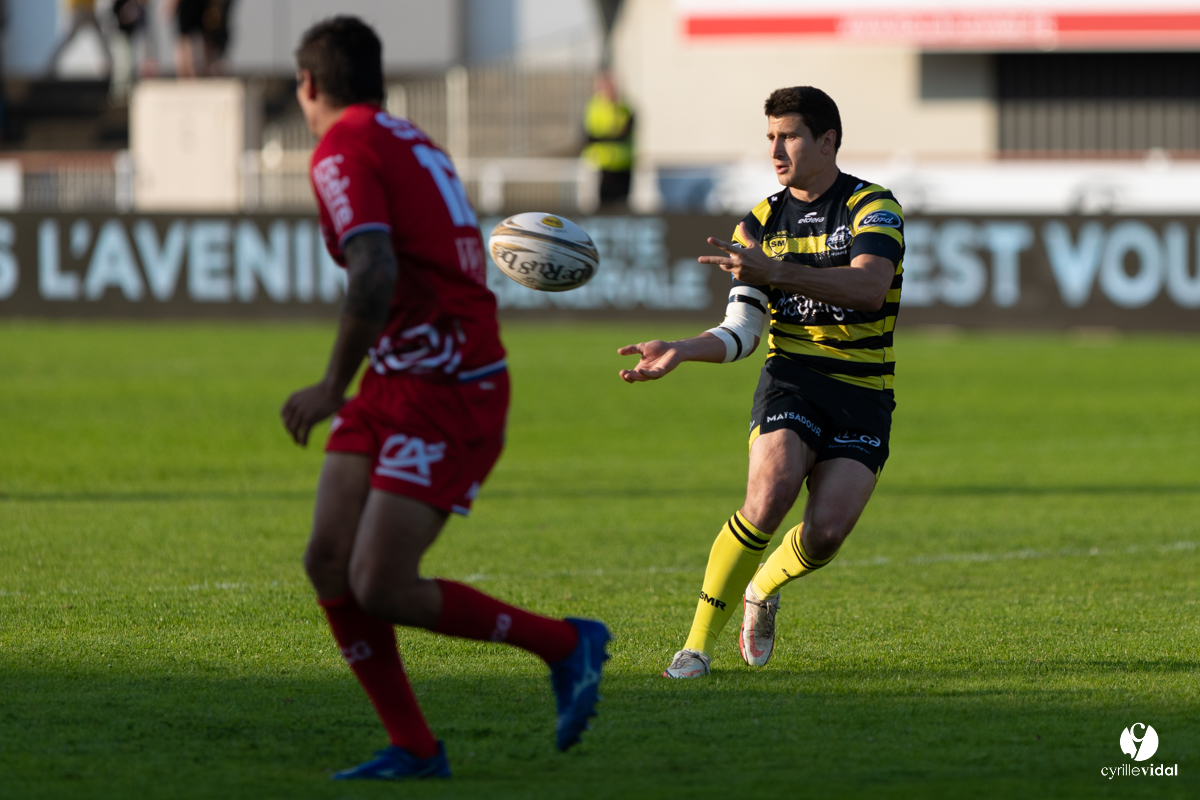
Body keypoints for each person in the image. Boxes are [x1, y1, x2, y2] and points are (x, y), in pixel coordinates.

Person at [281, 16, 610, 780]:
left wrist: (331, 384)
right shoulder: (410, 137)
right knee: (328, 559)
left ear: (309, 86)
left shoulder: (340, 148)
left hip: (449, 385)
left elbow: (373, 272)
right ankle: (416, 749)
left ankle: (565, 644)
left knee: (381, 583)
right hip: (399, 375)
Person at [617, 86, 904, 679]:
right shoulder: (758, 224)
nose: (776, 149)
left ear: (827, 141)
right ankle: (695, 648)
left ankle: (763, 586)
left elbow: (869, 289)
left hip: (864, 392)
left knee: (824, 535)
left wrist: (776, 270)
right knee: (769, 495)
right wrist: (682, 350)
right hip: (792, 380)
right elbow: (743, 330)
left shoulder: (873, 207)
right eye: (770, 136)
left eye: (790, 136)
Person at [582, 72, 633, 210]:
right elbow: (591, 135)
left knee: (622, 203)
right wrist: (611, 136)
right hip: (601, 163)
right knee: (602, 204)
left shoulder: (624, 107)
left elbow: (625, 132)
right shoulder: (595, 107)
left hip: (623, 163)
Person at [45, 0, 114, 78]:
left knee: (101, 38)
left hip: (88, 10)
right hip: (77, 9)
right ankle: (49, 68)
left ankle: (108, 67)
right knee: (67, 39)